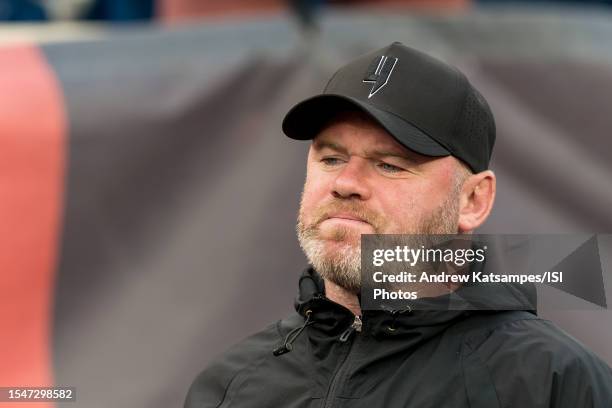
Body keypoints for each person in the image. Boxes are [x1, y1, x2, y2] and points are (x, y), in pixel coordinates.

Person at [184, 42, 612, 408]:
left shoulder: (553, 384)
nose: (345, 184)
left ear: (473, 200)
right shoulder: (232, 385)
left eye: (389, 165)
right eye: (331, 158)